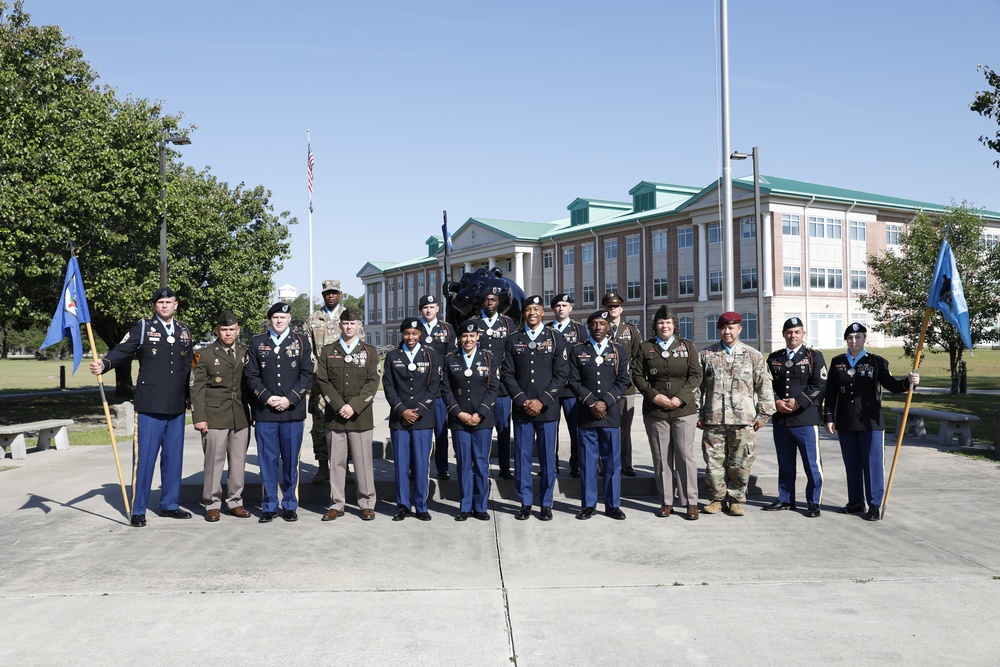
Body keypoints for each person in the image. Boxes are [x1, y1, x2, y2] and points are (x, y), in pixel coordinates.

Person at [90, 287, 193, 527]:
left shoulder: (184, 331)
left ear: (176, 305)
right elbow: (123, 350)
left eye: (169, 302)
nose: (165, 306)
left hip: (176, 405)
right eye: (161, 302)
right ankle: (139, 509)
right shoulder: (143, 327)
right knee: (144, 460)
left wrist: (188, 396)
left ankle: (169, 505)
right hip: (149, 405)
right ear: (155, 306)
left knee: (173, 459)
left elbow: (187, 366)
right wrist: (105, 364)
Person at [824, 323, 919, 521]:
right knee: (851, 463)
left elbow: (892, 385)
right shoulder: (837, 362)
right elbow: (831, 393)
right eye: (850, 337)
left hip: (870, 423)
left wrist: (908, 382)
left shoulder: (876, 362)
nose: (854, 341)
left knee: (872, 464)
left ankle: (874, 504)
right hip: (846, 421)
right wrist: (829, 418)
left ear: (865, 339)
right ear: (846, 340)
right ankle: (856, 501)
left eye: (858, 337)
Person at [698, 311, 775, 517]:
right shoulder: (707, 356)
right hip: (714, 420)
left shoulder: (753, 356)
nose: (727, 332)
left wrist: (763, 415)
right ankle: (716, 499)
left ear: (739, 329)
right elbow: (697, 387)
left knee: (741, 462)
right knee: (714, 462)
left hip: (744, 421)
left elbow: (764, 386)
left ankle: (736, 500)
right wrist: (698, 412)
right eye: (723, 328)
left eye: (731, 328)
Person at [244, 302, 314, 523]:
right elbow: (251, 376)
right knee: (267, 460)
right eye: (275, 317)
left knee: (291, 461)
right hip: (266, 412)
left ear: (289, 319)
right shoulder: (257, 342)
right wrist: (267, 397)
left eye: (283, 317)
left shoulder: (302, 342)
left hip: (292, 412)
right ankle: (269, 505)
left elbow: (307, 373)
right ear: (270, 320)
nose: (279, 321)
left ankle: (290, 504)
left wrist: (290, 398)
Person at [632, 306, 703, 520]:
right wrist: (653, 395)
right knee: (661, 458)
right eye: (661, 322)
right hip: (656, 411)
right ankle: (666, 501)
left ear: (675, 325)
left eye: (669, 322)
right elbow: (637, 375)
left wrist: (680, 398)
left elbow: (696, 375)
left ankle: (691, 502)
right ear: (655, 326)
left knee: (685, 456)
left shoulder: (687, 347)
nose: (665, 326)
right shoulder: (646, 348)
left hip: (683, 410)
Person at [502, 295, 569, 521]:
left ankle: (546, 503)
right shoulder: (513, 339)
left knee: (547, 459)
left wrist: (543, 400)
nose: (532, 313)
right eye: (529, 309)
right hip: (522, 409)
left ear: (543, 313)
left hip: (547, 409)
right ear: (524, 312)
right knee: (521, 458)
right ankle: (525, 502)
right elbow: (507, 374)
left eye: (536, 309)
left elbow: (562, 374)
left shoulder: (555, 338)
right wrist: (522, 400)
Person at [314, 308, 380, 522]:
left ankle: (367, 503)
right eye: (345, 323)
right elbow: (323, 381)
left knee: (362, 463)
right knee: (337, 462)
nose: (349, 327)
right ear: (340, 325)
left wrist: (354, 406)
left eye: (353, 324)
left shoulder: (369, 352)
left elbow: (372, 383)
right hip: (335, 416)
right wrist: (338, 405)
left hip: (360, 417)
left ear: (359, 325)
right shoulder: (328, 351)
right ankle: (336, 504)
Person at [567, 310, 631, 520]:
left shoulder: (618, 351)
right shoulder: (578, 350)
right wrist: (592, 402)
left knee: (612, 463)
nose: (597, 328)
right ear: (589, 327)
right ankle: (589, 505)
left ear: (608, 327)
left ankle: (612, 505)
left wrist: (606, 402)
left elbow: (623, 381)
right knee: (587, 462)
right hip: (586, 414)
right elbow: (574, 381)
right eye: (594, 324)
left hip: (610, 415)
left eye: (602, 324)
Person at [189, 311, 252, 522]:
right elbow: (196, 388)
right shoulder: (204, 354)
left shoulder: (246, 352)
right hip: (214, 414)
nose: (228, 333)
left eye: (231, 329)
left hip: (240, 414)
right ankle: (212, 504)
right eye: (224, 330)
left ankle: (235, 502)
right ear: (217, 330)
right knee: (214, 462)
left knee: (238, 461)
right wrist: (199, 417)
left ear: (238, 330)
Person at [765, 317, 827, 518]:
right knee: (785, 462)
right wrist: (775, 401)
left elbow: (820, 384)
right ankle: (785, 498)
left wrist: (799, 401)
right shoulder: (774, 358)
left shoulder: (813, 357)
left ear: (803, 334)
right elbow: (766, 384)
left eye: (797, 332)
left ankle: (813, 502)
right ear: (784, 334)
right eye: (789, 332)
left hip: (805, 419)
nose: (793, 335)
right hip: (782, 419)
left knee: (811, 463)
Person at [440, 319, 500, 521]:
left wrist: (480, 413)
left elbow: (493, 389)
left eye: (472, 336)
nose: (468, 339)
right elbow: (445, 389)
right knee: (464, 464)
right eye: (464, 336)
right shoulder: (450, 359)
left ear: (477, 337)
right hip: (459, 421)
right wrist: (458, 412)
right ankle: (465, 507)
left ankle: (480, 506)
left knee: (481, 464)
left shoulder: (488, 358)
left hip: (482, 420)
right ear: (459, 338)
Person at [383, 318, 441, 521]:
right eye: (407, 333)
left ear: (420, 335)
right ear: (402, 334)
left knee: (421, 464)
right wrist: (401, 410)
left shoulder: (431, 355)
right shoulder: (392, 356)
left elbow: (434, 386)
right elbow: (388, 387)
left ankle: (421, 506)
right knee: (400, 464)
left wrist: (419, 410)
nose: (411, 337)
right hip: (400, 419)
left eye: (415, 334)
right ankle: (403, 505)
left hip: (423, 419)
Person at [305, 279, 353, 484]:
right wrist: (321, 371)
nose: (330, 295)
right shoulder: (313, 319)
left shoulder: (349, 317)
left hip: (344, 383)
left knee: (346, 425)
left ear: (340, 294)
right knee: (319, 425)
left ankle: (345, 468)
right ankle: (322, 467)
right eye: (327, 293)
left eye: (334, 292)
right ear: (323, 295)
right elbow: (308, 351)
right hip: (319, 382)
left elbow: (355, 346)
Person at [472, 292, 516, 480]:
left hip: (502, 387)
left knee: (504, 428)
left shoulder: (507, 323)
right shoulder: (474, 322)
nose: (489, 303)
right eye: (486, 299)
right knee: (479, 428)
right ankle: (478, 465)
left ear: (498, 302)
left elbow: (513, 351)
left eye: (493, 300)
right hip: (479, 386)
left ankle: (504, 466)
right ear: (482, 302)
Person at [547, 293, 587, 477]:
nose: (561, 308)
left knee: (575, 428)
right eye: (557, 305)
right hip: (551, 388)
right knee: (549, 430)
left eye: (564, 305)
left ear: (571, 308)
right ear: (553, 309)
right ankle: (550, 465)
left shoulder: (579, 330)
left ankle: (576, 465)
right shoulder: (546, 330)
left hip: (572, 388)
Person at [602, 291, 642, 477]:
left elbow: (636, 356)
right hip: (604, 387)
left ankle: (626, 463)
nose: (613, 309)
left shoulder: (631, 330)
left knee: (625, 428)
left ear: (621, 308)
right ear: (605, 308)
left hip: (626, 387)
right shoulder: (599, 327)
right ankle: (605, 463)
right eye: (610, 306)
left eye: (616, 306)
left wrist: (627, 376)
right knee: (606, 426)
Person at [417, 294, 456, 480]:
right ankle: (415, 467)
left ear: (438, 309)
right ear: (421, 310)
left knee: (441, 431)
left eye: (432, 307)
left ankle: (442, 468)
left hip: (440, 391)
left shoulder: (447, 329)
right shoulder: (414, 329)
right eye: (425, 307)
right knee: (418, 432)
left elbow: (452, 357)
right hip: (420, 390)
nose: (428, 310)